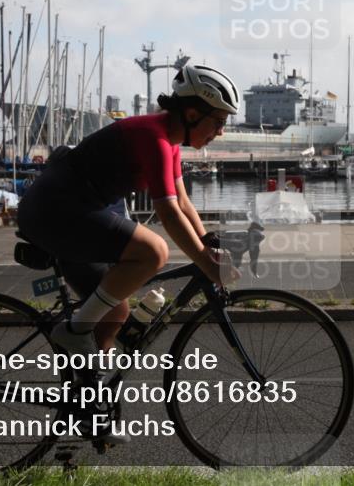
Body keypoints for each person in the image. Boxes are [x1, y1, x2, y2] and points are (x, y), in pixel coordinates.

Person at [16, 65, 240, 361]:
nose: (221, 132)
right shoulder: (153, 138)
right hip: (54, 212)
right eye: (219, 121)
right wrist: (203, 261)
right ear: (192, 114)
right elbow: (169, 212)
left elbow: (184, 203)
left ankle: (86, 395)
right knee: (153, 251)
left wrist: (208, 246)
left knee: (114, 311)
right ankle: (74, 331)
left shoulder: (168, 141)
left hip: (70, 211)